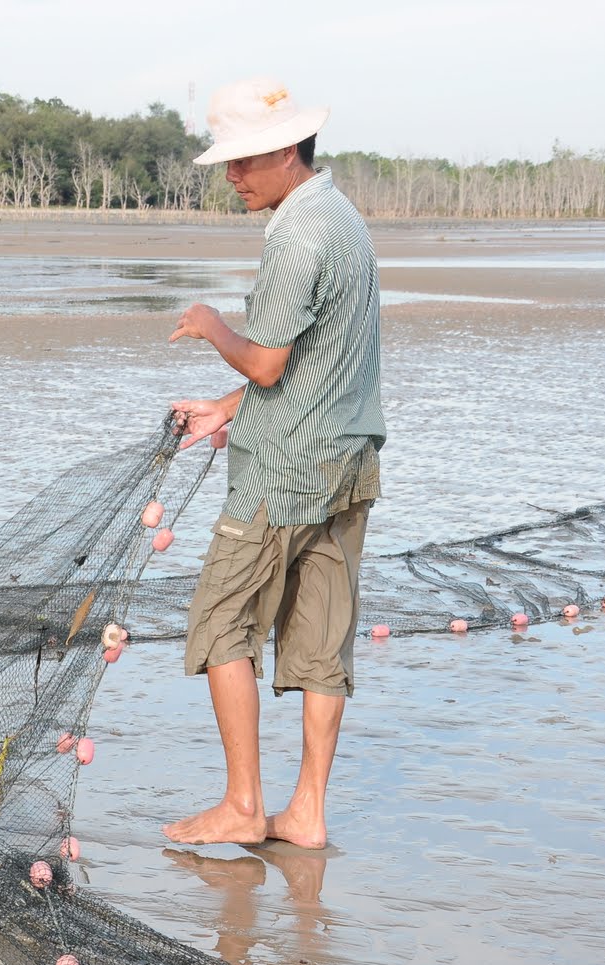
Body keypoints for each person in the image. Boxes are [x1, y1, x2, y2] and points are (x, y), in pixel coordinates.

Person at [164, 77, 384, 850]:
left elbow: (264, 362)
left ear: (287, 150)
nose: (232, 176)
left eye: (243, 161)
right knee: (322, 638)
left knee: (221, 618)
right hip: (348, 462)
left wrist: (211, 324)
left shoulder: (296, 236)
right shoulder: (340, 215)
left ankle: (243, 805)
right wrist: (224, 410)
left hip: (284, 472)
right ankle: (308, 813)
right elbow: (308, 362)